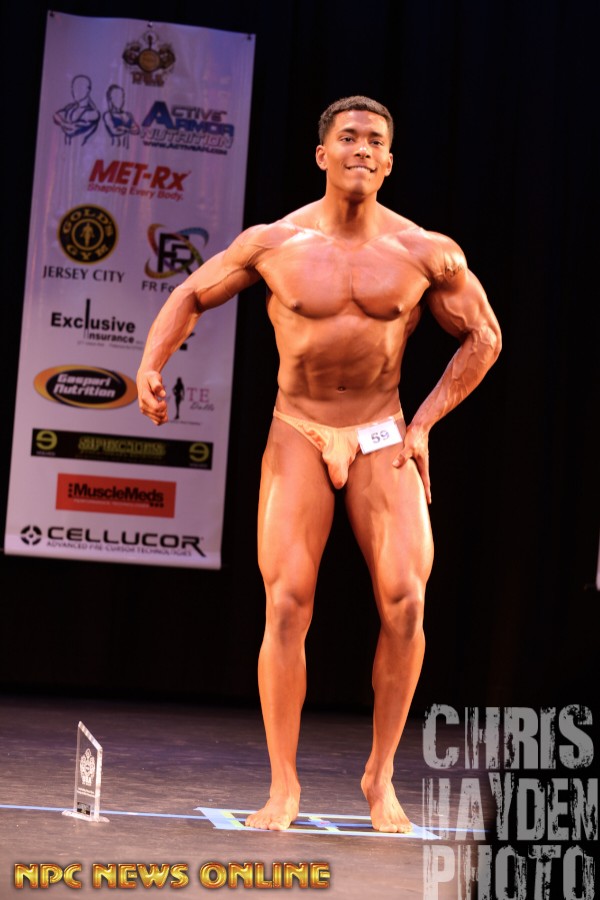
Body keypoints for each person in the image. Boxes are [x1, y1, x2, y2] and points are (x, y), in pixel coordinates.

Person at [136, 96, 502, 833]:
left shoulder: (425, 250)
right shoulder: (275, 242)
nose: (362, 148)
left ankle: (380, 776)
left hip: (382, 433)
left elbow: (485, 336)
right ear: (322, 154)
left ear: (389, 161)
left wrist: (424, 423)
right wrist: (150, 363)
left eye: (376, 141)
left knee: (406, 601)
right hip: (299, 429)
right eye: (349, 137)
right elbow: (191, 292)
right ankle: (284, 786)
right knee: (286, 603)